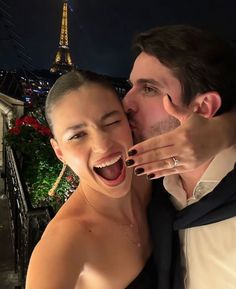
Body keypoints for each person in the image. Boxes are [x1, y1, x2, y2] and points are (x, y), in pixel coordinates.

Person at [123, 24, 236, 289]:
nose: (125, 103)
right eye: (131, 87)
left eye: (148, 89)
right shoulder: (152, 189)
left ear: (203, 107)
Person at [26, 71, 155, 289]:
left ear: (128, 123)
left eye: (113, 122)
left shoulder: (147, 178)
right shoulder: (64, 243)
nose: (102, 145)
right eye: (77, 135)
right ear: (60, 153)